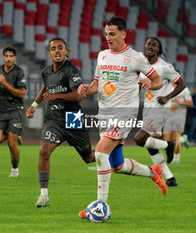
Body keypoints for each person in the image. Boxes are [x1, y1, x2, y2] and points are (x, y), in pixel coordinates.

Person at [77, 16, 165, 219]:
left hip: (125, 113)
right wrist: (85, 89)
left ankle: (100, 206)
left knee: (99, 153)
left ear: (124, 34)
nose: (108, 37)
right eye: (106, 33)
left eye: (113, 34)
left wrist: (151, 85)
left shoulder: (136, 58)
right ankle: (154, 172)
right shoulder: (102, 56)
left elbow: (157, 80)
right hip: (105, 114)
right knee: (116, 165)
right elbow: (96, 84)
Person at [26, 37, 95, 208]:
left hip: (73, 117)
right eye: (53, 48)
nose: (57, 51)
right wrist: (34, 105)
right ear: (49, 53)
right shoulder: (47, 72)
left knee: (88, 157)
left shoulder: (72, 71)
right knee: (44, 150)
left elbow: (78, 95)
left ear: (66, 51)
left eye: (60, 48)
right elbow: (45, 87)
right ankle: (43, 195)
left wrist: (56, 96)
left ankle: (111, 151)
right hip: (54, 119)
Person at [134, 37, 186, 187]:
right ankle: (170, 178)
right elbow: (139, 85)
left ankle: (168, 145)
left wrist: (167, 97)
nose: (150, 46)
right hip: (148, 108)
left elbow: (181, 83)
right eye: (148, 44)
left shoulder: (164, 67)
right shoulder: (142, 65)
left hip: (160, 109)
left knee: (139, 139)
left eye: (154, 45)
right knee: (150, 147)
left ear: (158, 49)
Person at [0, 46, 26, 178]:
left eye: (11, 56)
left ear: (15, 58)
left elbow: (22, 94)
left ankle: (15, 169)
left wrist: (5, 84)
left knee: (11, 143)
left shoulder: (19, 72)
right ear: (3, 57)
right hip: (0, 111)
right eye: (6, 56)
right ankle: (10, 133)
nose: (9, 59)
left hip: (15, 110)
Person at [164, 85, 193, 164]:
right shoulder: (167, 87)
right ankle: (183, 139)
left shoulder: (184, 89)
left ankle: (176, 158)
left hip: (179, 116)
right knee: (167, 140)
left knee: (175, 138)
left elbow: (190, 103)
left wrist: (180, 103)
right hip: (168, 115)